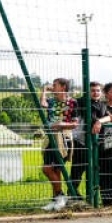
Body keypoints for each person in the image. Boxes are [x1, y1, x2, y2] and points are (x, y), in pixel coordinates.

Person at [39, 78, 78, 211]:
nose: (52, 86)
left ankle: (59, 197)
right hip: (50, 138)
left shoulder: (72, 102)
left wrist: (61, 124)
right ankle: (57, 198)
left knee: (49, 169)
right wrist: (44, 90)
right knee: (53, 169)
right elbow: (42, 104)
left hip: (63, 137)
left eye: (55, 85)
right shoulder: (51, 101)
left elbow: (75, 123)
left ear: (63, 87)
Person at [72, 81, 109, 201]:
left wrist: (99, 121)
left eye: (98, 90)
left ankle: (93, 195)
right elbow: (90, 118)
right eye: (92, 90)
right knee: (78, 168)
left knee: (96, 168)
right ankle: (73, 193)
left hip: (97, 142)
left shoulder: (102, 104)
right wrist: (98, 121)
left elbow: (109, 116)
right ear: (87, 92)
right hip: (81, 140)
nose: (95, 93)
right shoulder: (80, 102)